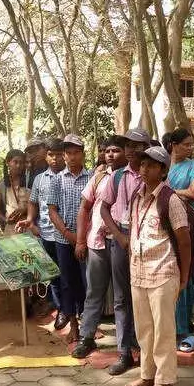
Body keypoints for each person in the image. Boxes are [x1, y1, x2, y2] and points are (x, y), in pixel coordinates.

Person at [124, 146, 191, 386]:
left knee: (163, 329)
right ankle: (147, 373)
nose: (144, 169)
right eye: (142, 165)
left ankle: (165, 380)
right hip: (139, 272)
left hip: (163, 272)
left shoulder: (170, 199)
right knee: (144, 329)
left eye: (151, 165)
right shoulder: (136, 196)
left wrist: (183, 276)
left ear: (162, 170)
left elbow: (184, 241)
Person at [98, 128, 152, 375]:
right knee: (121, 298)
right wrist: (119, 236)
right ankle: (123, 352)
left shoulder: (155, 176)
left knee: (145, 297)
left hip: (148, 241)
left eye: (137, 145)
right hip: (121, 238)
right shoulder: (117, 177)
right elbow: (104, 209)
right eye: (128, 145)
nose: (131, 150)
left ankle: (145, 350)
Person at [72, 135, 128, 360]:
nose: (110, 155)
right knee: (94, 291)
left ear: (126, 152)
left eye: (116, 150)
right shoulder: (99, 177)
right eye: (108, 151)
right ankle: (87, 337)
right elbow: (84, 208)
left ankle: (126, 342)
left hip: (122, 242)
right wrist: (80, 240)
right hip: (97, 241)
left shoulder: (131, 177)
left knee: (122, 295)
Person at [166, 128, 194, 345]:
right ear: (173, 144)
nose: (190, 148)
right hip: (163, 227)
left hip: (187, 227)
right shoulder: (162, 165)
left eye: (192, 144)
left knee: (185, 273)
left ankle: (182, 326)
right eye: (186, 144)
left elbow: (193, 193)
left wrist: (168, 192)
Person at [47, 134, 91, 342]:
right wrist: (68, 234)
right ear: (64, 156)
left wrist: (81, 239)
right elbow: (52, 211)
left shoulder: (92, 178)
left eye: (76, 153)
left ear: (82, 154)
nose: (72, 157)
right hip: (64, 241)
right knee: (67, 283)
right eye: (68, 153)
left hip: (88, 240)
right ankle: (73, 324)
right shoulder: (56, 180)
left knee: (86, 283)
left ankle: (87, 326)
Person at [17, 138, 66, 316]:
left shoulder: (69, 176)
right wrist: (30, 219)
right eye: (51, 155)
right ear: (46, 156)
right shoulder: (39, 178)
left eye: (59, 155)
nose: (55, 159)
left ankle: (72, 310)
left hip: (68, 234)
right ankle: (58, 307)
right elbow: (33, 202)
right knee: (52, 273)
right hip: (46, 232)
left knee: (69, 274)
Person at [0, 149, 30, 235]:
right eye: (15, 162)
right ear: (8, 163)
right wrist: (6, 220)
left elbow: (38, 203)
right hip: (11, 228)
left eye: (21, 162)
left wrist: (26, 209)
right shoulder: (1, 185)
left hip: (29, 226)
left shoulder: (29, 181)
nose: (18, 165)